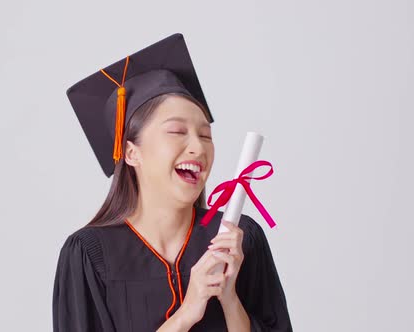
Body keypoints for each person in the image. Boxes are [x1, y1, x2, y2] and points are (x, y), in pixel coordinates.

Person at [52, 33, 292, 332]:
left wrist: (229, 297)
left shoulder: (239, 238)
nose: (198, 147)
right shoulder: (89, 254)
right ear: (131, 152)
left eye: (205, 135)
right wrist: (186, 313)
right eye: (177, 131)